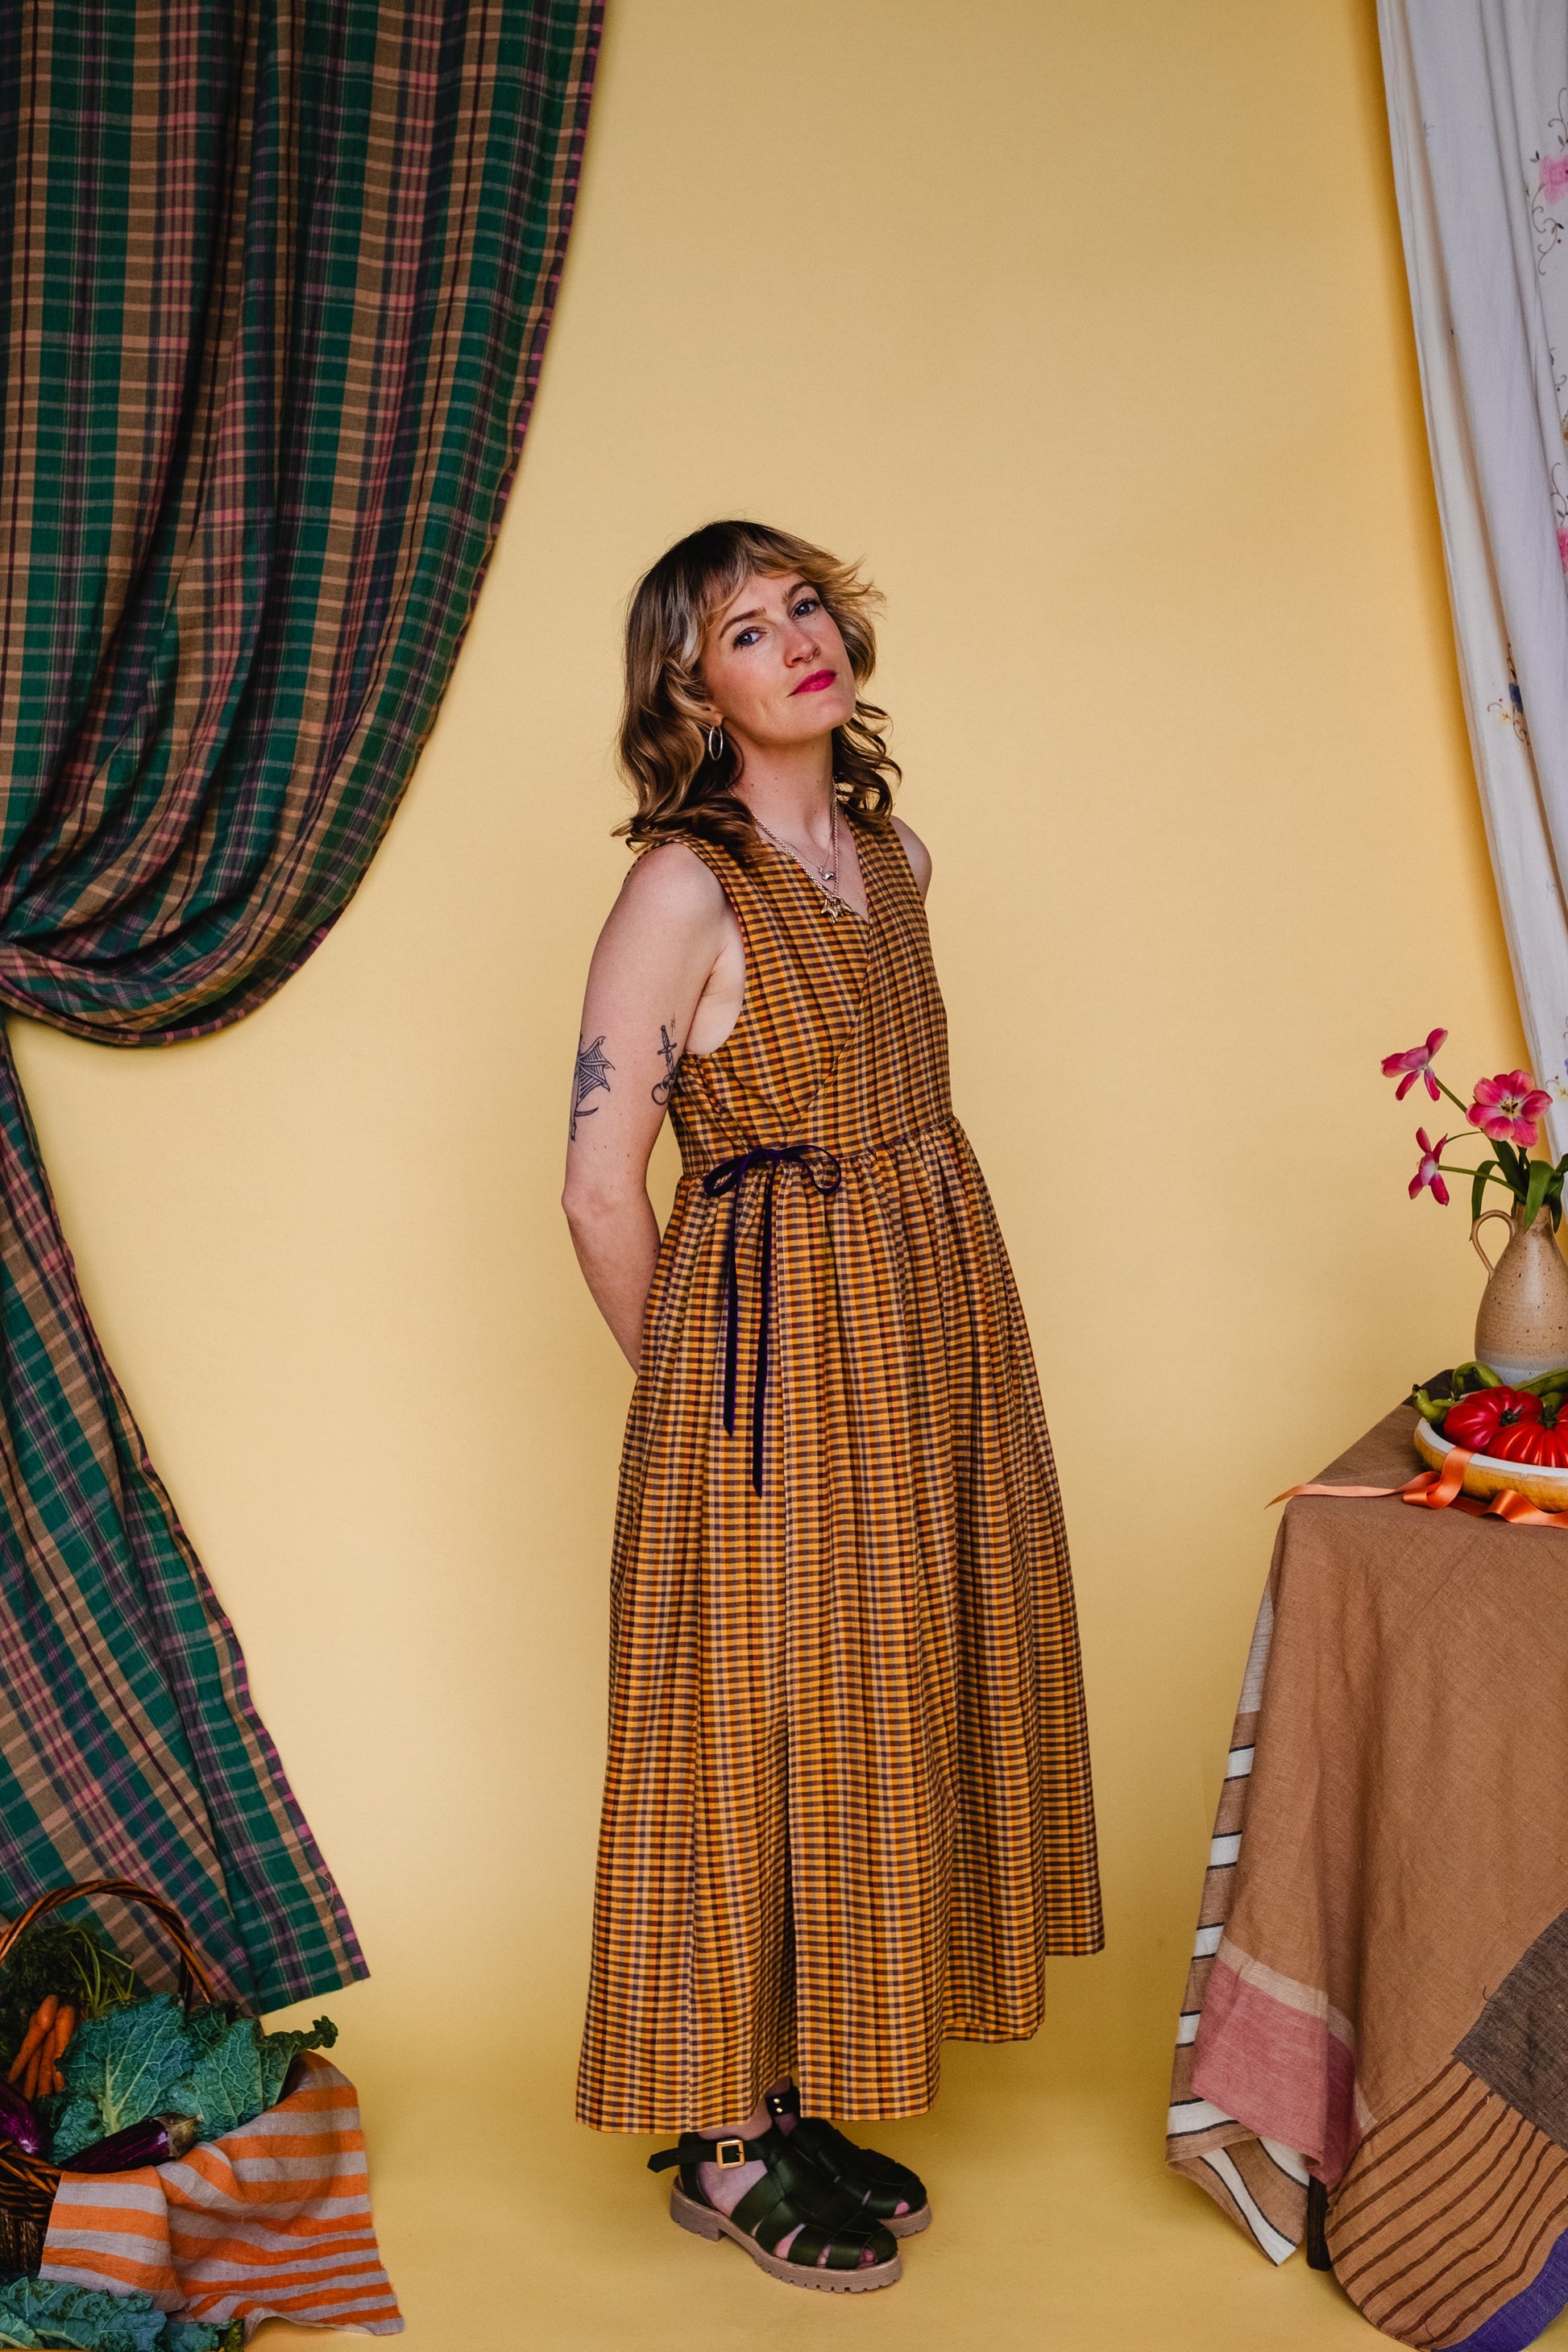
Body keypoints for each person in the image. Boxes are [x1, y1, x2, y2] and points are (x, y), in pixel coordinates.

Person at [563, 520, 1101, 2294]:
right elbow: (593, 1185)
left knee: (868, 1705)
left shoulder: (893, 853)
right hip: (775, 1375)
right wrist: (704, 1408)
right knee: (748, 1728)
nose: (797, 638)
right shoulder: (683, 888)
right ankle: (721, 2149)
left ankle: (783, 2092)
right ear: (687, 683)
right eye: (745, 623)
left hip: (928, 1338)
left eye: (806, 605)